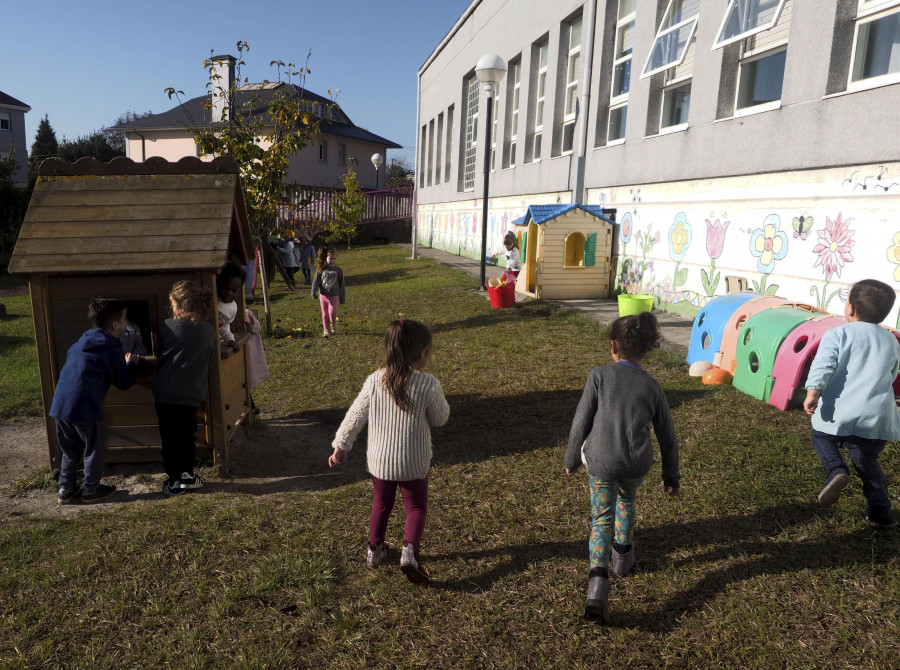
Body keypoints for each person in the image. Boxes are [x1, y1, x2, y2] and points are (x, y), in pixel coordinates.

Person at [564, 312, 680, 623]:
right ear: (647, 349)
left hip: (601, 462)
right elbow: (667, 436)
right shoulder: (653, 386)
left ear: (613, 346)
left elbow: (581, 421)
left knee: (601, 519)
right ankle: (623, 557)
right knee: (627, 501)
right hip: (636, 464)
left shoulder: (598, 376)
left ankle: (598, 583)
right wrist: (671, 476)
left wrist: (572, 458)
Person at [328, 320, 450, 583]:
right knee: (415, 506)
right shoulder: (428, 384)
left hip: (380, 462)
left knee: (382, 504)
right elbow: (440, 418)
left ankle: (374, 549)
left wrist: (341, 444)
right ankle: (409, 552)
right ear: (423, 352)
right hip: (414, 461)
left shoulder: (374, 380)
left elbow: (355, 415)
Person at [804, 279, 900, 528]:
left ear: (851, 309)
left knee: (821, 436)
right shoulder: (890, 340)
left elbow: (823, 366)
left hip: (840, 412)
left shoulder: (838, 334)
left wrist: (813, 393)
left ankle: (836, 470)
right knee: (866, 460)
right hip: (878, 416)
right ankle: (881, 514)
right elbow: (892, 373)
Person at [50, 298, 139, 504]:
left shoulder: (83, 340)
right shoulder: (111, 346)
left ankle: (66, 489)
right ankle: (91, 490)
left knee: (70, 449)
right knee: (93, 447)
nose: (127, 325)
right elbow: (124, 383)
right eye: (125, 320)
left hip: (61, 405)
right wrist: (131, 363)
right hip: (85, 406)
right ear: (115, 325)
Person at [154, 280, 217, 497]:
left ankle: (174, 481)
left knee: (170, 439)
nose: (171, 308)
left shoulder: (167, 326)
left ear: (180, 305)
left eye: (172, 304)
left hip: (167, 394)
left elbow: (158, 352)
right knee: (186, 436)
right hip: (192, 395)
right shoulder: (209, 331)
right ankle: (187, 474)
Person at [311, 245, 345, 338]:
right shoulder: (321, 269)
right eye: (330, 258)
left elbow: (342, 284)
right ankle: (326, 330)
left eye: (334, 258)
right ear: (325, 258)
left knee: (332, 312)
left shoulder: (338, 270)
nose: (332, 260)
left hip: (334, 295)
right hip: (323, 296)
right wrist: (313, 292)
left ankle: (333, 324)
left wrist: (342, 298)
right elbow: (316, 281)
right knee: (325, 314)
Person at [244, 308, 269, 415]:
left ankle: (252, 408)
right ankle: (251, 407)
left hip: (247, 353)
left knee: (244, 381)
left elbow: (257, 328)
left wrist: (249, 321)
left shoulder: (246, 312)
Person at [217, 262, 245, 356]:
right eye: (225, 288)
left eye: (234, 291)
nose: (229, 293)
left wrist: (230, 339)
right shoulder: (211, 300)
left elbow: (224, 326)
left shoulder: (233, 308)